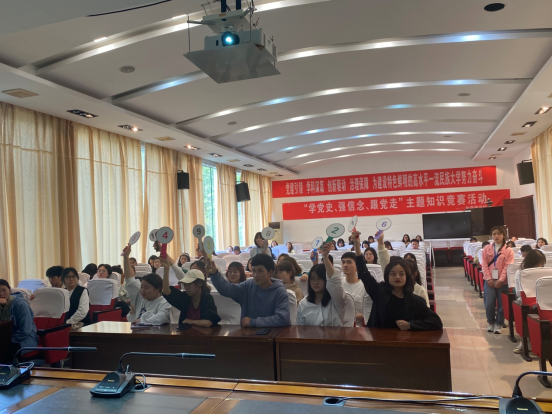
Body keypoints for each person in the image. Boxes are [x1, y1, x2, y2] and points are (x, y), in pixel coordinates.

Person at [352, 231, 443, 331]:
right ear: (387, 276)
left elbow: (436, 322)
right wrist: (357, 245)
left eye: (401, 274)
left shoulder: (416, 300)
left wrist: (410, 325)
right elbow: (364, 273)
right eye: (393, 274)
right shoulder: (379, 291)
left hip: (404, 339)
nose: (397, 277)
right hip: (378, 338)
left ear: (407, 276)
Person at [209, 252, 290, 328]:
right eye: (253, 271)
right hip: (248, 334)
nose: (256, 275)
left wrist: (253, 322)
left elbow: (283, 318)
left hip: (272, 335)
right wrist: (214, 273)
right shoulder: (248, 286)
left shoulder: (279, 291)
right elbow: (227, 289)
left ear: (270, 272)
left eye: (260, 271)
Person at [297, 242, 346, 327]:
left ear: (326, 280)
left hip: (335, 335)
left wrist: (325, 256)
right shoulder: (303, 304)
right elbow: (300, 329)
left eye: (319, 279)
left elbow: (334, 281)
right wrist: (315, 264)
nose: (315, 283)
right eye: (312, 279)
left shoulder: (336, 300)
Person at [162, 258, 221, 328]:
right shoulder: (185, 297)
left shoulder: (207, 298)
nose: (186, 288)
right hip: (185, 332)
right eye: (185, 285)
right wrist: (166, 269)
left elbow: (208, 322)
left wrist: (190, 321)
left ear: (200, 283)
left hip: (204, 333)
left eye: (189, 284)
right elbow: (166, 291)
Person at [122, 245, 171, 325]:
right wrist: (126, 256)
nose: (142, 290)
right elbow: (130, 279)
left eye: (146, 288)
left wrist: (142, 320)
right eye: (141, 287)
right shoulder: (140, 297)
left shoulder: (164, 303)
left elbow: (162, 317)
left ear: (157, 289)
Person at [481, 226, 514, 334]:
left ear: (504, 235)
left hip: (503, 282)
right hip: (489, 281)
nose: (496, 236)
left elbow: (507, 266)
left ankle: (499, 323)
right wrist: (488, 278)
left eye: (499, 234)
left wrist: (501, 279)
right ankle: (490, 322)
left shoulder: (508, 250)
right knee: (489, 303)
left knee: (502, 304)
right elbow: (484, 265)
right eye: (494, 234)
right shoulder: (486, 249)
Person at [513, 249, 547, 354]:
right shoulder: (520, 273)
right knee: (529, 309)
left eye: (541, 263)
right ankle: (523, 342)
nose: (540, 266)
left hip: (543, 300)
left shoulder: (545, 272)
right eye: (537, 263)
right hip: (525, 301)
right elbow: (518, 293)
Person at [0, 279, 39, 363]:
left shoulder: (20, 304)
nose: (1, 294)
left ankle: (8, 371)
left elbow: (26, 330)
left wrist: (8, 340)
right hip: (5, 339)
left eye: (4, 290)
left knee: (4, 351)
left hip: (24, 340)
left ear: (9, 290)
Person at [340, 252, 365, 326]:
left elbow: (367, 312)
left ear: (357, 266)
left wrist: (350, 318)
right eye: (343, 262)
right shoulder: (338, 283)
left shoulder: (364, 286)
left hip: (358, 326)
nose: (345, 265)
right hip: (338, 324)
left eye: (349, 262)